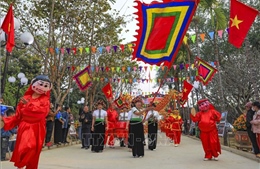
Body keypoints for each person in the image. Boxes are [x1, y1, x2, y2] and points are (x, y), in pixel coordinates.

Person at [0, 75, 52, 169]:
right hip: (25, 127)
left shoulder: (45, 100)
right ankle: (20, 165)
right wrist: (5, 121)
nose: (42, 87)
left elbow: (42, 113)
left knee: (33, 149)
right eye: (40, 84)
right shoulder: (26, 97)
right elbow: (18, 116)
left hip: (37, 127)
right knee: (23, 148)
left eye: (45, 86)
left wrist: (28, 105)